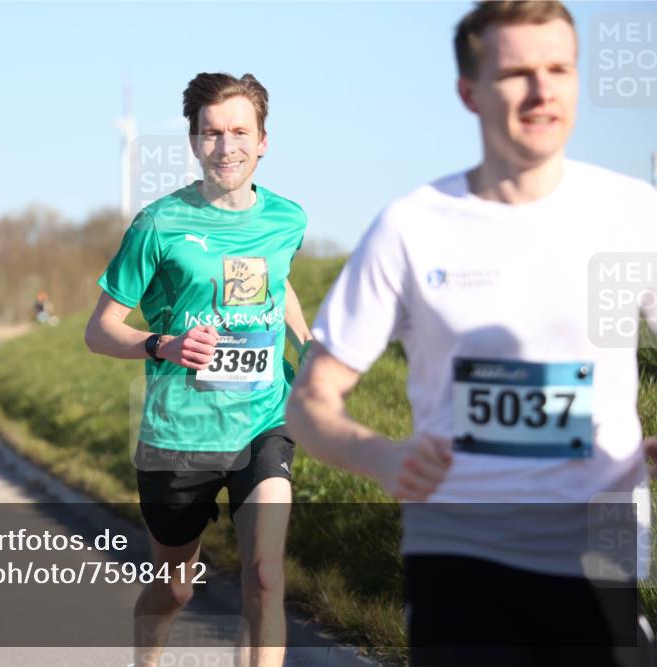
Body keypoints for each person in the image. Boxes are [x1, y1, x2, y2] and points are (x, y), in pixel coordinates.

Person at [286, 2, 657, 664]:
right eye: (517, 72)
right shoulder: (412, 226)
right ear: (469, 92)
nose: (543, 91)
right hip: (458, 550)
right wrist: (381, 457)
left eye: (560, 68)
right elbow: (310, 401)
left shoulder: (633, 216)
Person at [85, 72, 311, 667]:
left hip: (264, 416)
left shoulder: (288, 219)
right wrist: (162, 343)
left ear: (264, 140)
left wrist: (307, 342)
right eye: (211, 133)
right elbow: (99, 330)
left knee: (264, 577)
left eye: (240, 131)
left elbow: (276, 282)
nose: (226, 146)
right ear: (193, 142)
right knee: (176, 587)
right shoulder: (157, 224)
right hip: (179, 433)